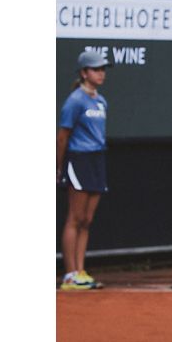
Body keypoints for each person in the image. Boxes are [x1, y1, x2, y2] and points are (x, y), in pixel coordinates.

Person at [58, 49, 111, 290]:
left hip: (97, 160)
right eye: (96, 69)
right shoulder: (75, 101)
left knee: (87, 220)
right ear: (83, 73)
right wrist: (57, 166)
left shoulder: (101, 101)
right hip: (78, 160)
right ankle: (69, 275)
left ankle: (80, 271)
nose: (101, 74)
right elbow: (62, 137)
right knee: (75, 218)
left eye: (102, 70)